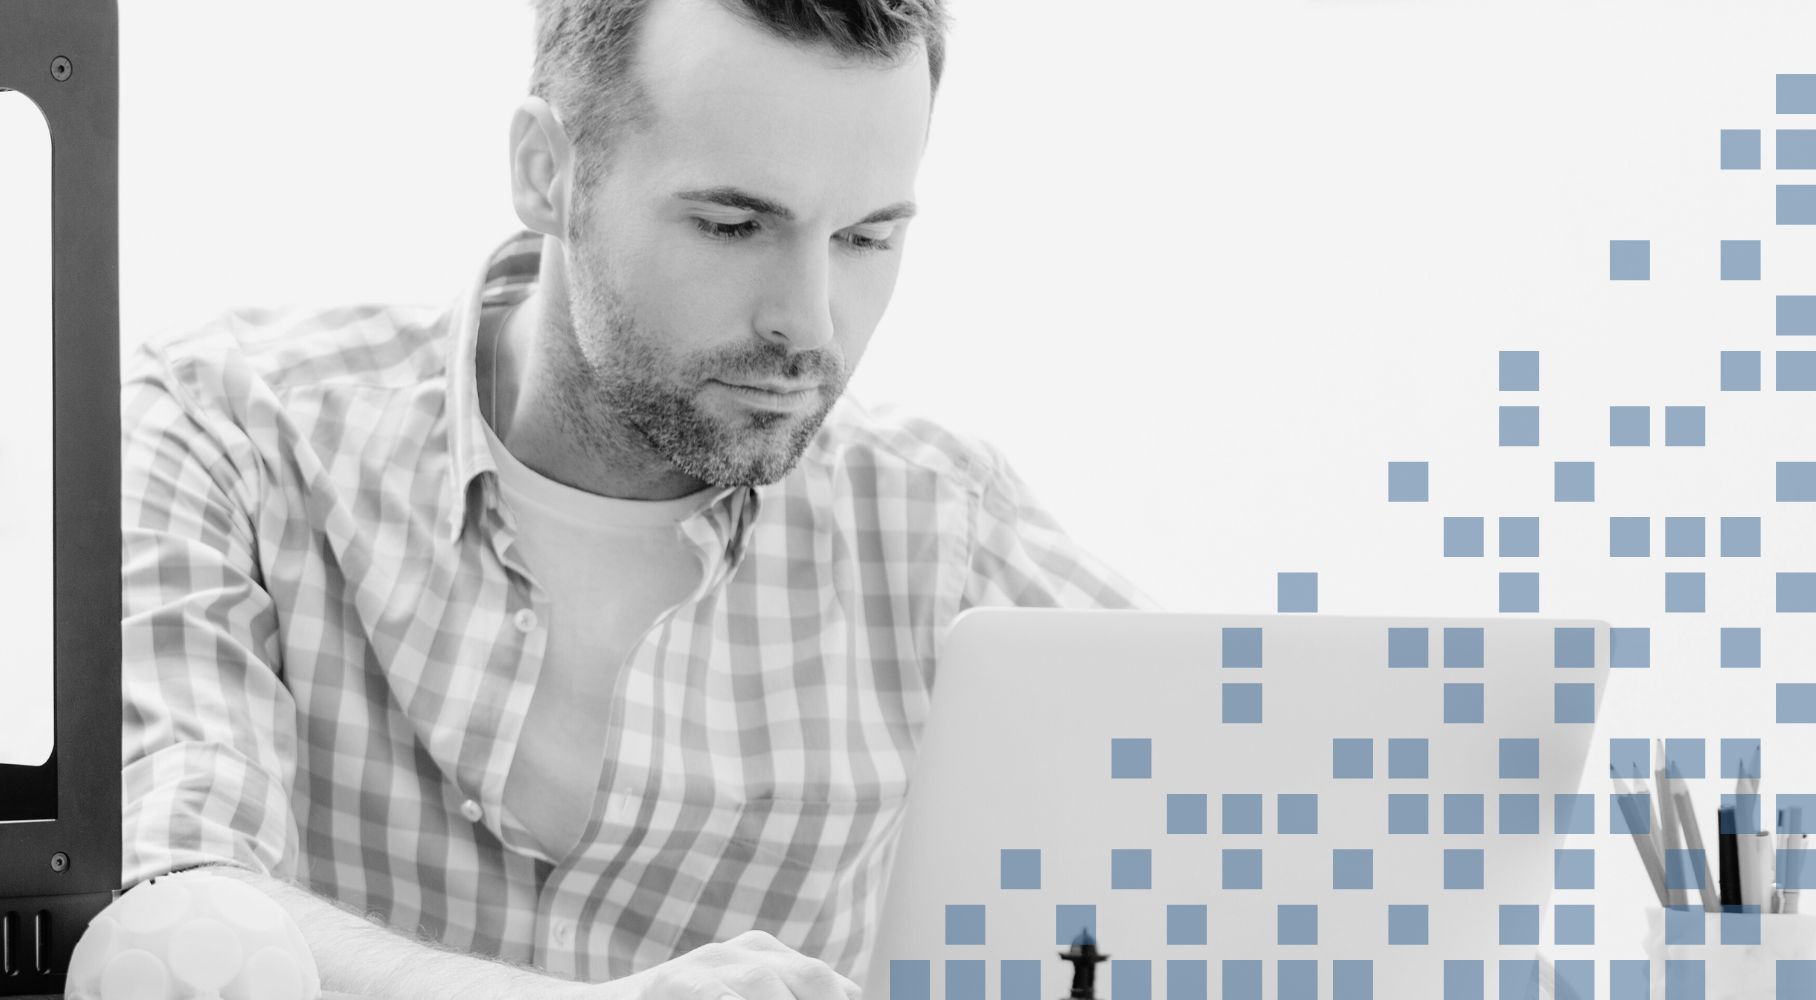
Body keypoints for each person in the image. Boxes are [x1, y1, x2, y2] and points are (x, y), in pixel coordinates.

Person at [120, 0, 1146, 995]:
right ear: (548, 171)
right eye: (735, 224)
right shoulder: (234, 431)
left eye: (867, 240)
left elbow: (1259, 790)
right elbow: (177, 899)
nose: (811, 323)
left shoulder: (940, 526)